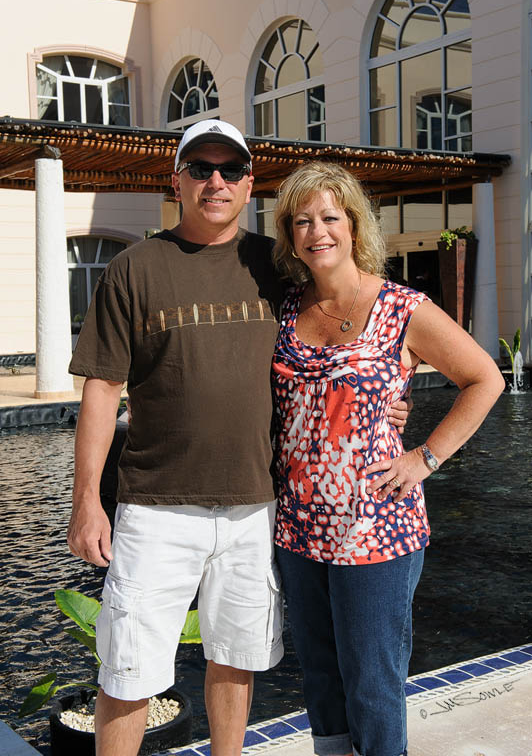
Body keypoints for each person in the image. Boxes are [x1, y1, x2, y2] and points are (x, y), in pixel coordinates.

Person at [66, 120, 410, 756]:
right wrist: (88, 500)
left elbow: (349, 321)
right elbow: (101, 391)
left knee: (236, 657)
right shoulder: (134, 268)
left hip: (257, 505)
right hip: (155, 506)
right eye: (201, 168)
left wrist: (394, 386)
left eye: (230, 169)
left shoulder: (277, 265)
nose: (216, 181)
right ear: (177, 181)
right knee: (128, 668)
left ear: (251, 183)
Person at [270, 161, 505, 756]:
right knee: (321, 676)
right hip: (299, 527)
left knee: (372, 681)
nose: (317, 231)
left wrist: (425, 456)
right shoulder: (286, 310)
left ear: (353, 226)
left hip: (377, 527)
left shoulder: (401, 307)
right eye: (302, 221)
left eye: (329, 217)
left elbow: (484, 378)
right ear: (289, 235)